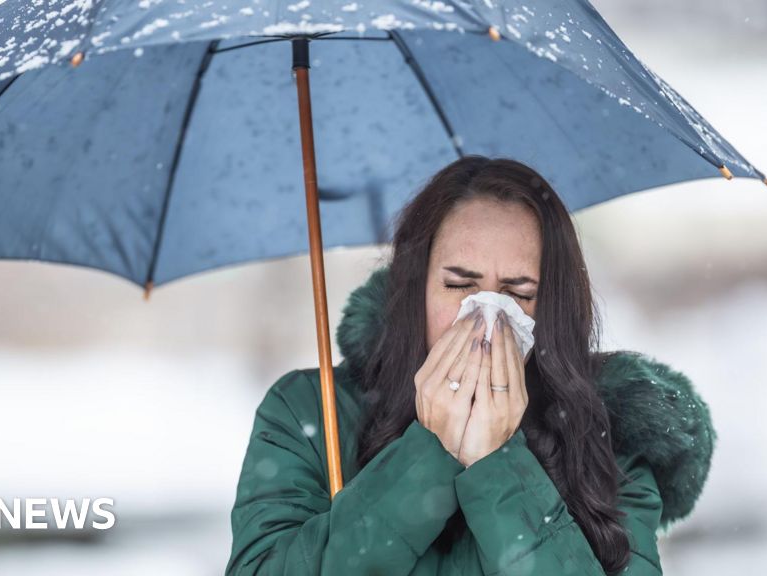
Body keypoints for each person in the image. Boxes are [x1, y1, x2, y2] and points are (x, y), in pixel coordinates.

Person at [225, 156, 716, 575]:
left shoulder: (611, 436)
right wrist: (429, 452)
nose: (485, 317)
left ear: (553, 311)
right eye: (460, 285)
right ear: (415, 289)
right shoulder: (311, 414)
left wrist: (497, 461)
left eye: (518, 293)